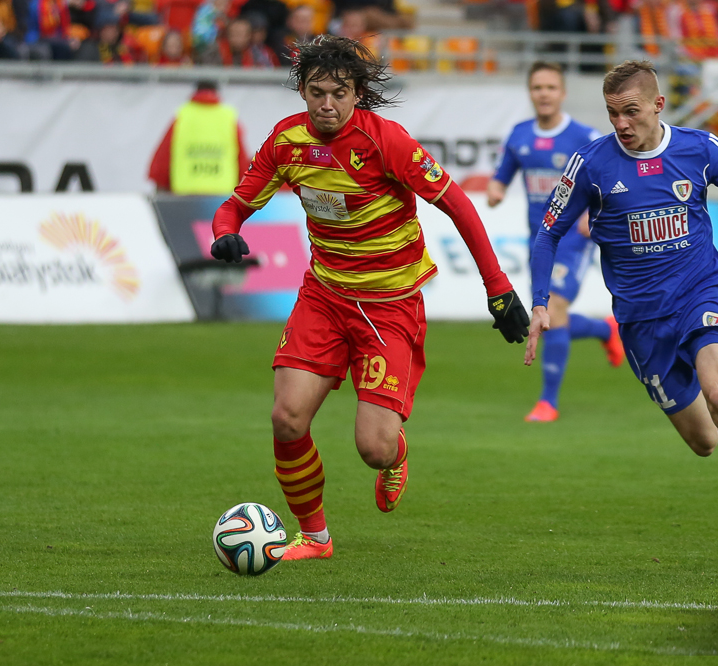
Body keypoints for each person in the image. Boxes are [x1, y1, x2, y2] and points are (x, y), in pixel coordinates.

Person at [208, 35, 529, 560]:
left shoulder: (386, 141)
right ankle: (315, 538)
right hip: (325, 296)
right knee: (287, 418)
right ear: (302, 91)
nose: (327, 104)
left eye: (339, 93)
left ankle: (395, 453)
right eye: (317, 93)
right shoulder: (286, 141)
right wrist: (225, 232)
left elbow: (459, 206)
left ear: (357, 93)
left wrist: (498, 288)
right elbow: (235, 206)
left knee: (373, 448)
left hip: (389, 305)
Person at [525, 60, 718, 564]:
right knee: (703, 441)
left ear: (658, 105)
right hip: (641, 320)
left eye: (631, 112)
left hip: (702, 293)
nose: (621, 124)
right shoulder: (590, 164)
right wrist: (541, 302)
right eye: (613, 113)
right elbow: (548, 232)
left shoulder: (700, 149)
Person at [488, 61, 623, 423]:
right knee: (547, 316)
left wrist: (590, 213)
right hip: (540, 241)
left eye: (550, 87)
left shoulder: (583, 136)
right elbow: (502, 176)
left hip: (574, 239)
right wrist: (495, 190)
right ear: (530, 93)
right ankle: (605, 328)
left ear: (562, 93)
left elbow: (609, 179)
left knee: (555, 308)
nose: (544, 94)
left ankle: (548, 402)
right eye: (537, 88)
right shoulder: (519, 135)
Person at [147, 81, 249, 194]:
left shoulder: (183, 115)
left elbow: (163, 159)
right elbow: (241, 160)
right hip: (221, 196)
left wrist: (162, 188)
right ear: (217, 93)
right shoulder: (228, 117)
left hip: (185, 196)